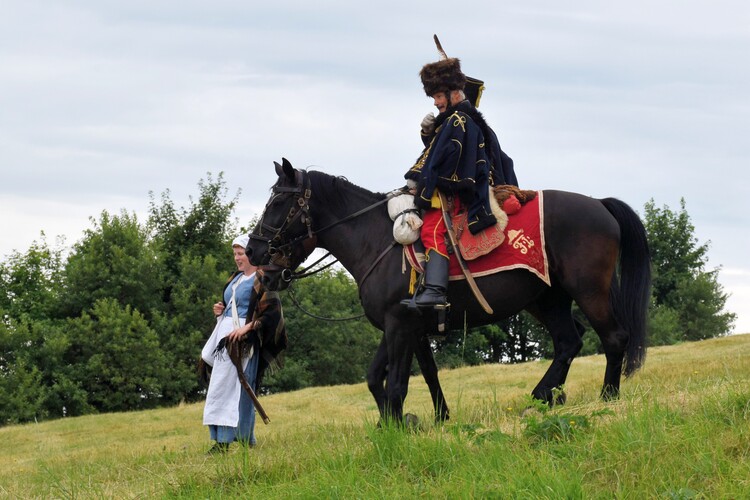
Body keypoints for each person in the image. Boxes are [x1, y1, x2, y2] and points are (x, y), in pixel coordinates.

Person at [403, 51, 517, 309]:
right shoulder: (458, 119)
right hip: (462, 185)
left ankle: (435, 291)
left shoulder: (458, 119)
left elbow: (443, 160)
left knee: (432, 228)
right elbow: (439, 150)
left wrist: (416, 181)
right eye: (434, 97)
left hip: (459, 191)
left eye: (438, 96)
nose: (435, 103)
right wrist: (428, 133)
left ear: (455, 94)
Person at [201, 234, 286, 454]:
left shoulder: (262, 278)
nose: (237, 258)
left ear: (251, 254)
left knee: (240, 389)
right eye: (235, 254)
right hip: (225, 339)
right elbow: (232, 305)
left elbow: (272, 314)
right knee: (220, 388)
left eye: (241, 253)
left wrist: (248, 328)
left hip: (244, 343)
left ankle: (242, 438)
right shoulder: (235, 279)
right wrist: (220, 311)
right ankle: (220, 440)